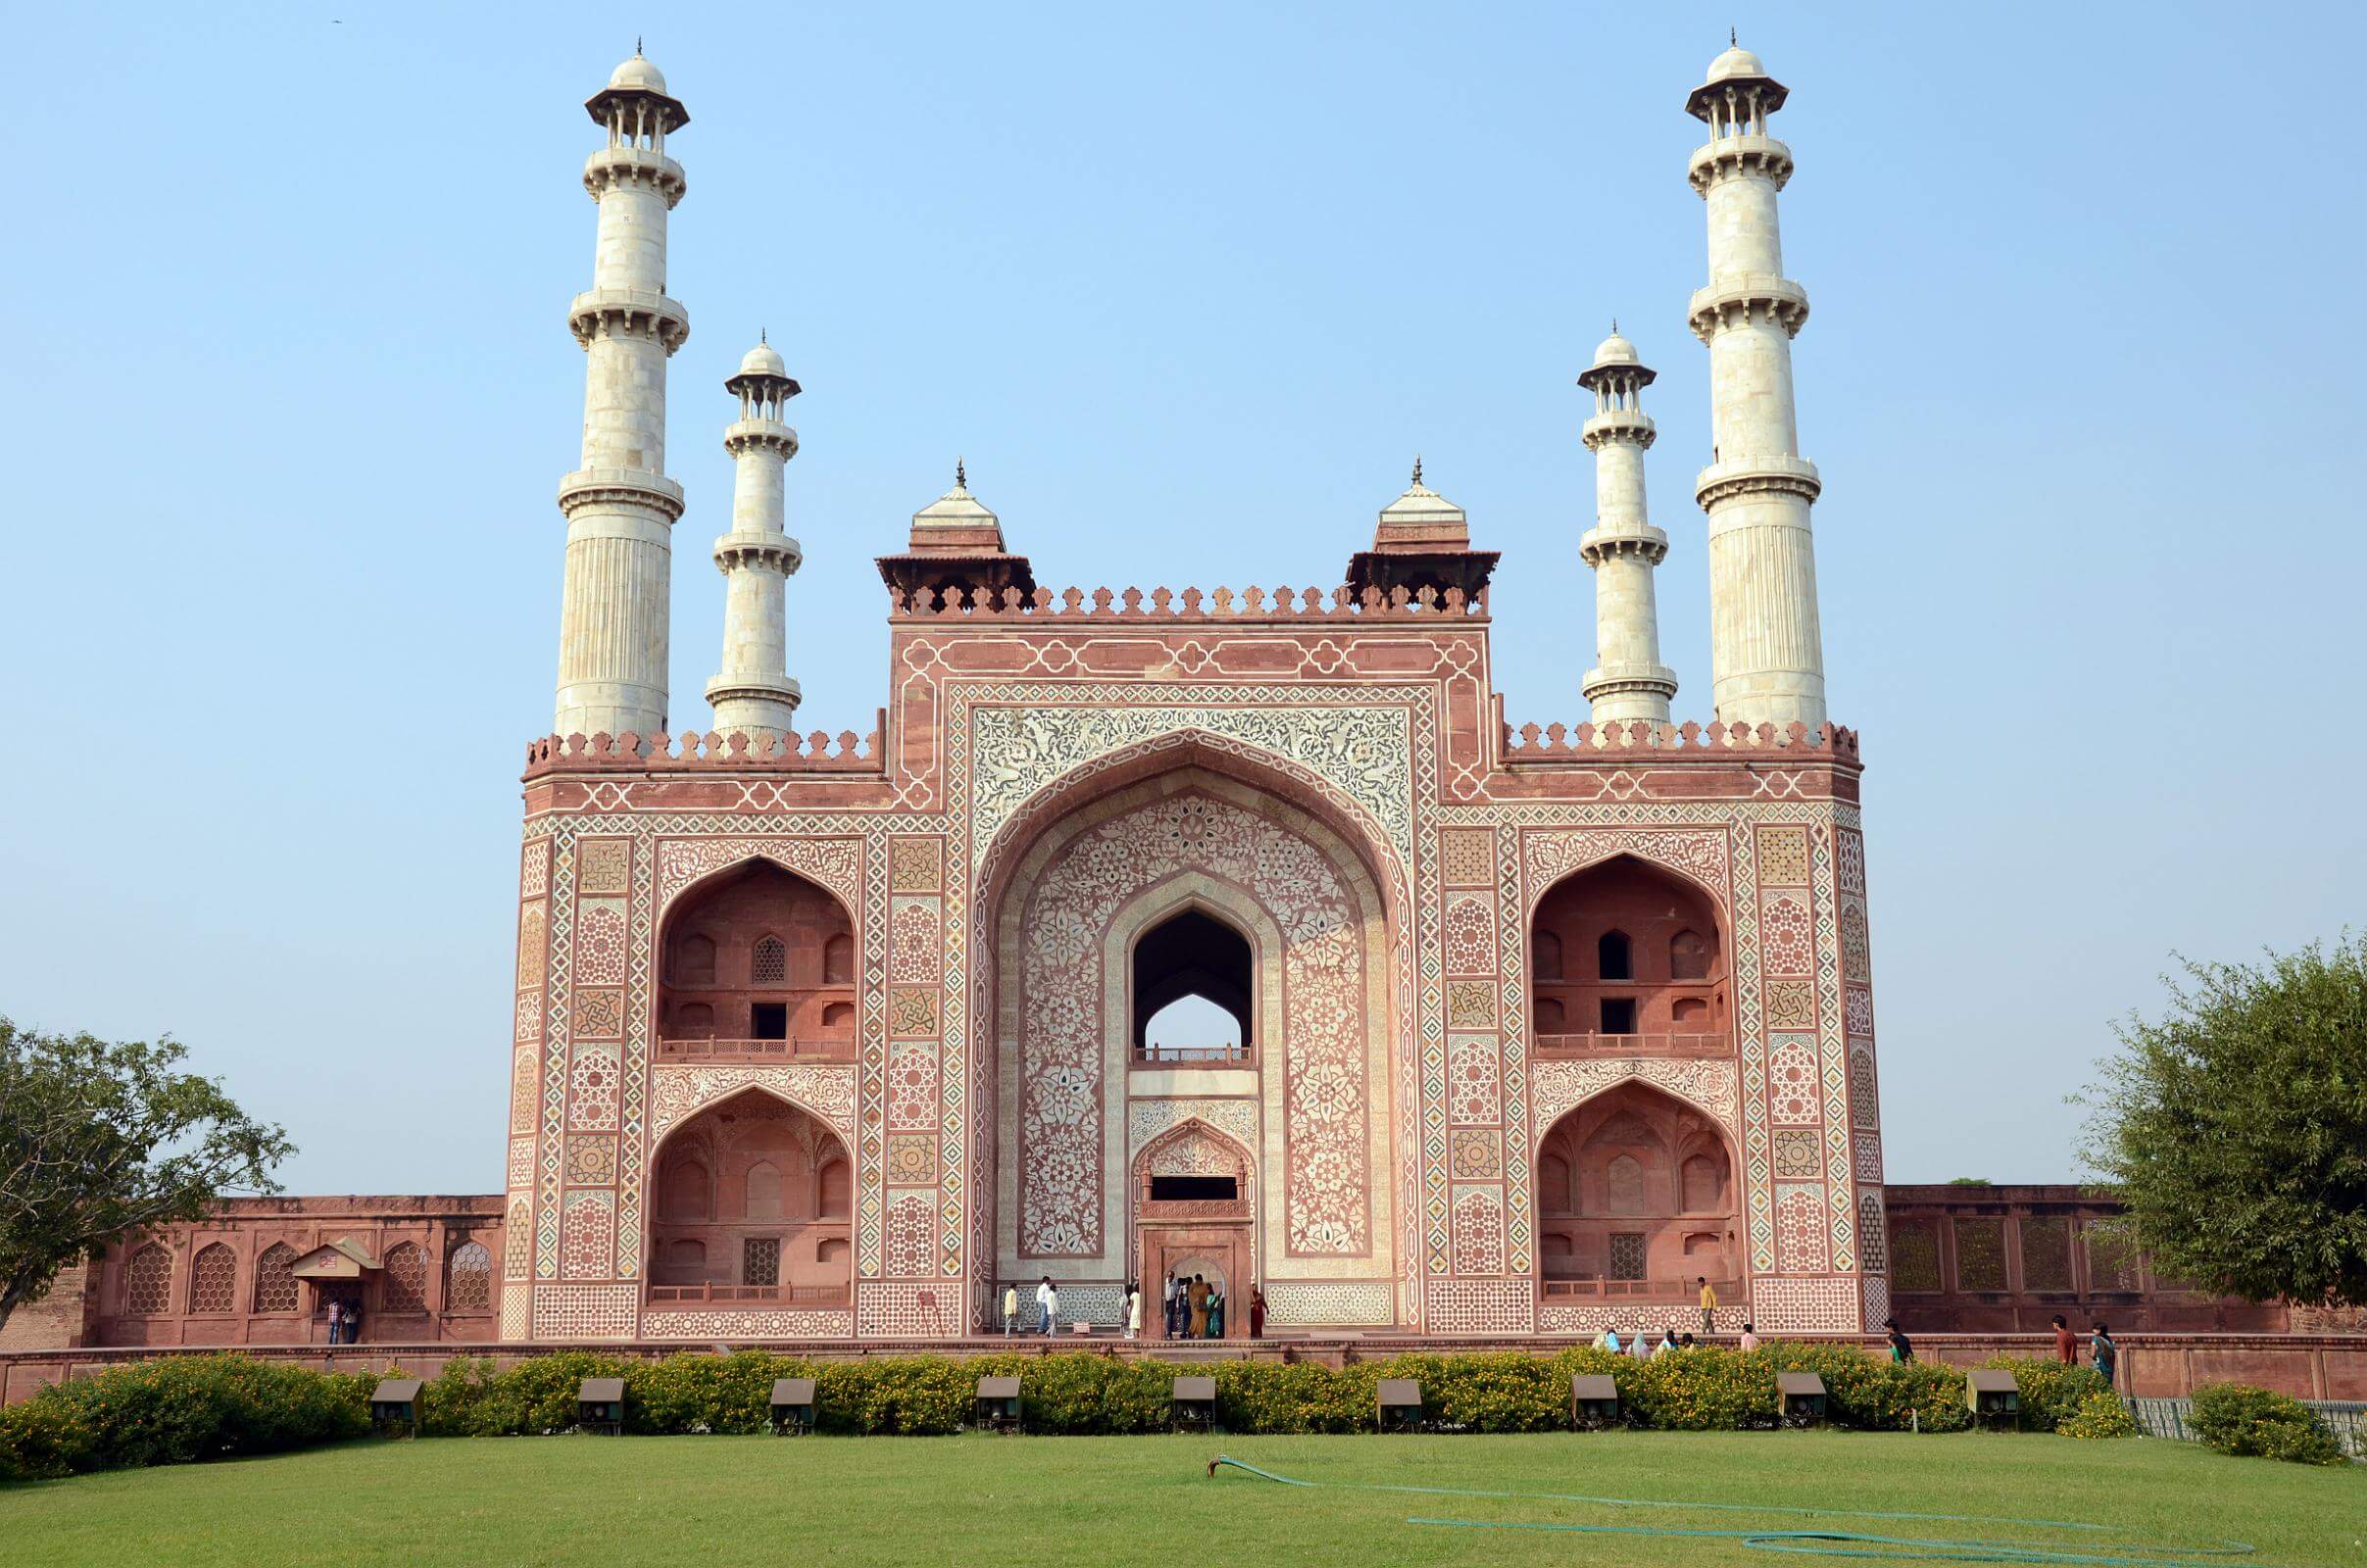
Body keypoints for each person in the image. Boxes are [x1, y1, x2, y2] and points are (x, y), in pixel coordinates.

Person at [2090, 1322, 2119, 1390]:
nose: (2093, 1331)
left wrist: (2089, 1354)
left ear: (2099, 1330)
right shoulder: (2108, 1339)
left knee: (2098, 1388)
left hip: (2099, 1367)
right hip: (2109, 1367)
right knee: (2108, 1387)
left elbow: (2093, 1354)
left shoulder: (2095, 1339)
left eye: (2095, 1329)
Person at [1187, 1273, 1210, 1338]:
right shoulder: (1192, 1286)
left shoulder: (1204, 1286)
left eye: (1200, 1280)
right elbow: (1190, 1295)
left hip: (1202, 1306)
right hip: (1195, 1306)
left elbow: (1206, 1295)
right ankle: (1191, 1331)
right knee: (1196, 1320)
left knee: (1203, 1321)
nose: (1199, 1282)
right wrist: (1195, 1300)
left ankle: (1201, 1334)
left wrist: (1203, 1300)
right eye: (1198, 1280)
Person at [1162, 1272, 1180, 1339]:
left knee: (1170, 1318)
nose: (1170, 1278)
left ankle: (1169, 1334)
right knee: (1162, 1318)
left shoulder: (1175, 1283)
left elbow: (1176, 1294)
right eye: (1169, 1276)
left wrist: (1176, 1304)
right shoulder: (1164, 1282)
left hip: (1171, 1302)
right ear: (1168, 1276)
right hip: (1164, 1301)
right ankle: (1163, 1333)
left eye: (1172, 1276)